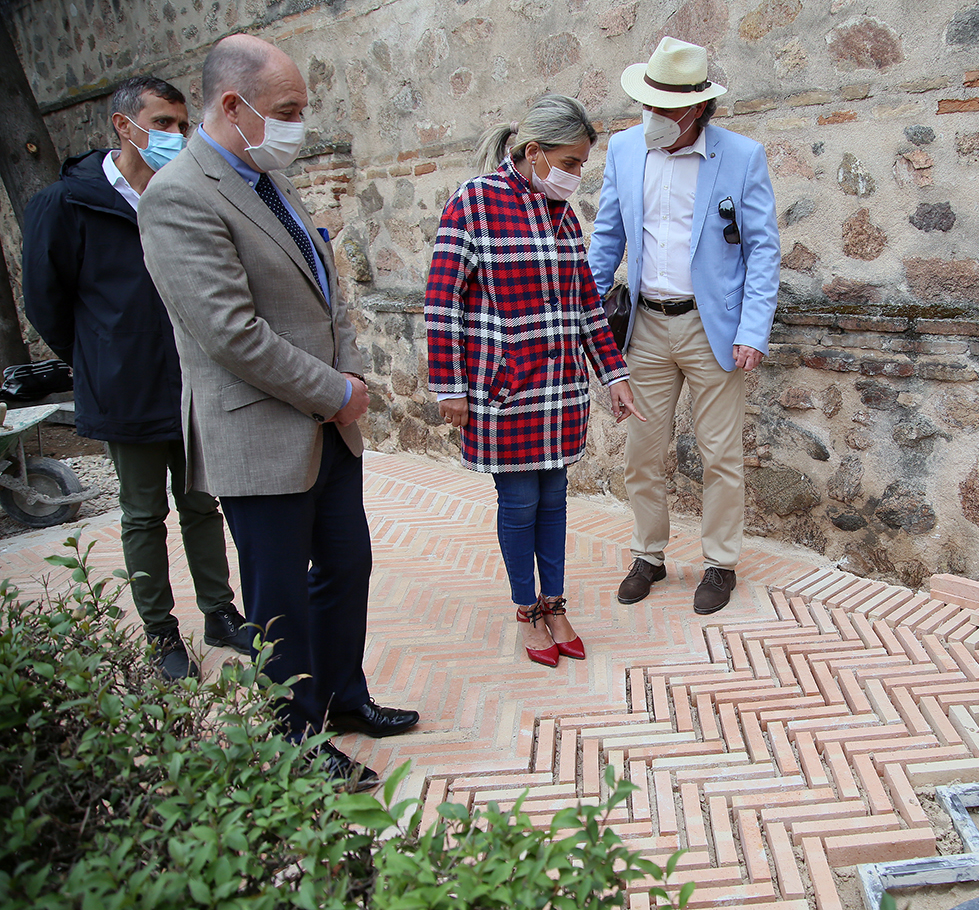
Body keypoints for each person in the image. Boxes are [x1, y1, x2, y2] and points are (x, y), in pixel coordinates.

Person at [137, 34, 417, 791]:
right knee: (278, 595)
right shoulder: (179, 197)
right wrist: (336, 393)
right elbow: (231, 334)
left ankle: (340, 698)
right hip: (260, 432)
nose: (299, 124)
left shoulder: (269, 178)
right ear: (234, 105)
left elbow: (328, 295)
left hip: (328, 427)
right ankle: (292, 739)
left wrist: (350, 370)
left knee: (346, 567)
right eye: (287, 110)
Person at [22, 75, 247, 682]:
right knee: (144, 514)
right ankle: (160, 632)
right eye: (165, 124)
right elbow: (46, 302)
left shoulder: (185, 192)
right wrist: (101, 355)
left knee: (203, 504)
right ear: (125, 126)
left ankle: (220, 613)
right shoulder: (67, 204)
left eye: (182, 124)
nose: (177, 135)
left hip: (192, 382)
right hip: (125, 390)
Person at [425, 95, 643, 668]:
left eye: (579, 165)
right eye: (568, 162)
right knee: (518, 500)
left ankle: (556, 603)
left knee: (554, 500)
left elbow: (587, 305)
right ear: (533, 153)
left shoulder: (564, 215)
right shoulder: (473, 203)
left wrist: (613, 374)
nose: (575, 175)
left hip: (561, 387)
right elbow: (441, 301)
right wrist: (449, 385)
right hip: (507, 386)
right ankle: (527, 610)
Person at [588, 36, 781, 617]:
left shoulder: (742, 156)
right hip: (645, 327)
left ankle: (719, 563)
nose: (651, 118)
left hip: (711, 327)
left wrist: (753, 329)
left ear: (695, 109)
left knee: (720, 454)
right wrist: (586, 309)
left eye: (663, 109)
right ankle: (647, 554)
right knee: (642, 451)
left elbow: (763, 250)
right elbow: (607, 238)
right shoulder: (624, 151)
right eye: (647, 105)